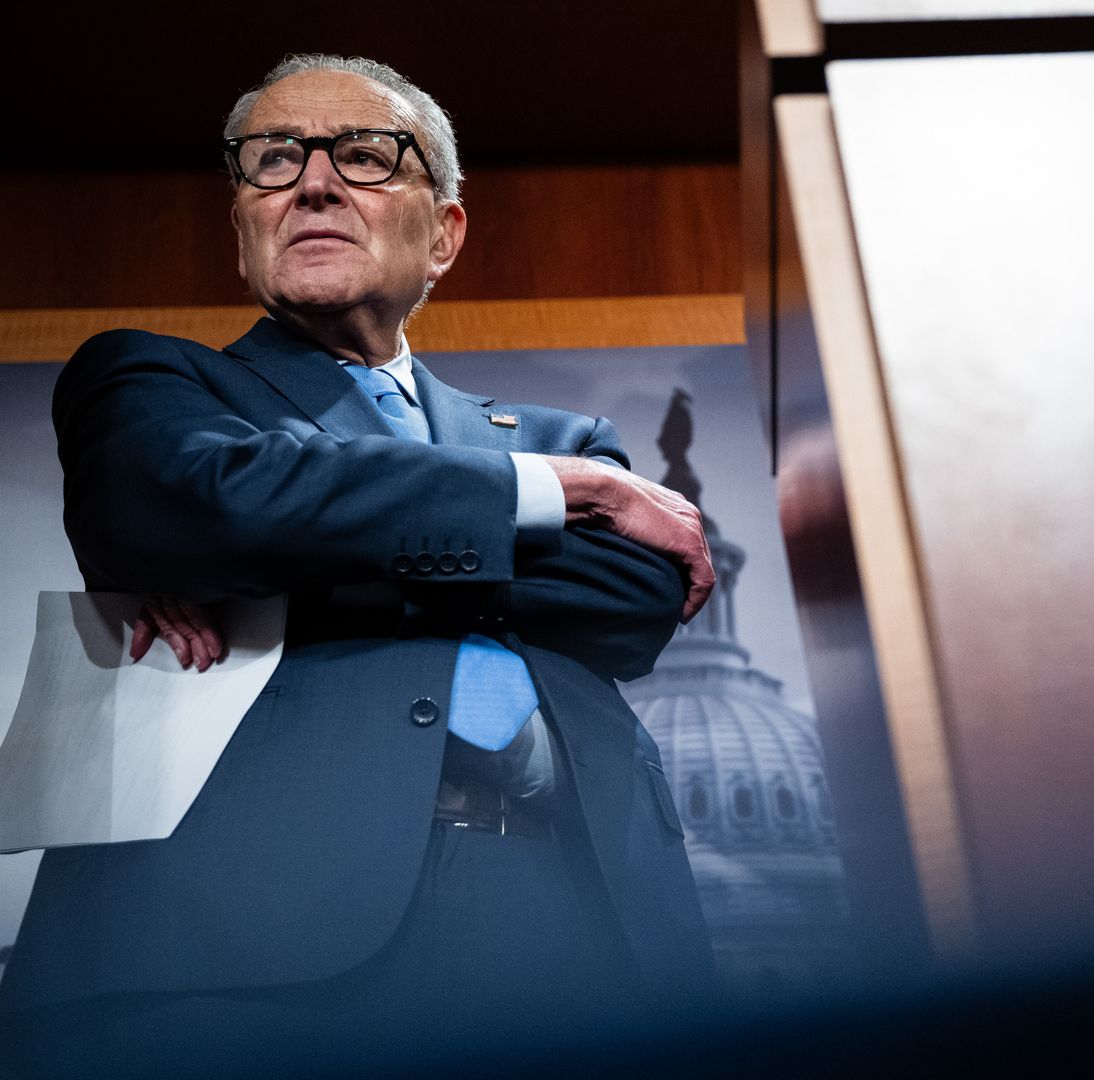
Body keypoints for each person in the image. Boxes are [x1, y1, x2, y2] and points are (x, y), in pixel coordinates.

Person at [0, 54, 719, 1075]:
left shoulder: (563, 435)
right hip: (234, 955)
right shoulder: (151, 382)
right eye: (275, 159)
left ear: (445, 234)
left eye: (369, 156)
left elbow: (632, 597)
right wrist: (549, 500)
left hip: (576, 927)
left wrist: (281, 540)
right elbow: (170, 510)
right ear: (243, 225)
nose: (315, 181)